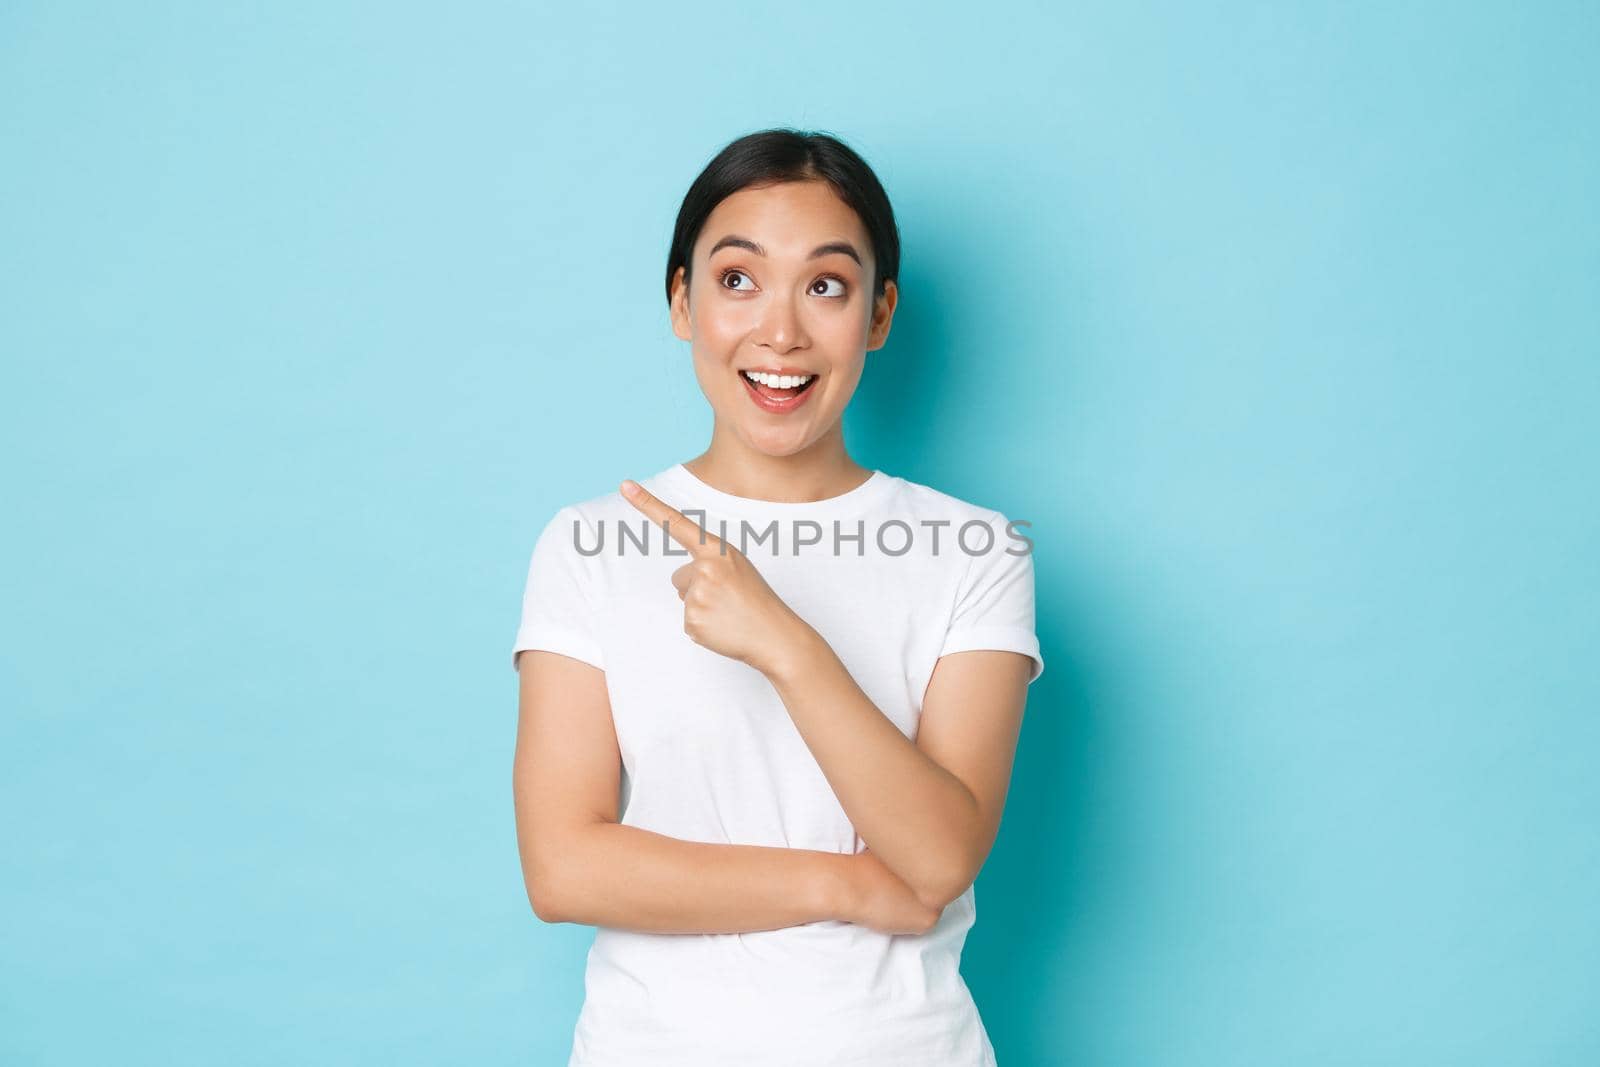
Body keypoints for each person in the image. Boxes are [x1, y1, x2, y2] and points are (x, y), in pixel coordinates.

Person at [510, 128, 1044, 1066]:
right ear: (683, 302)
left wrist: (785, 645)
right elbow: (563, 866)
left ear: (878, 315)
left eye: (827, 286)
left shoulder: (975, 549)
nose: (782, 332)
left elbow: (938, 857)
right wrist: (841, 886)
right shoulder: (590, 542)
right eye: (738, 280)